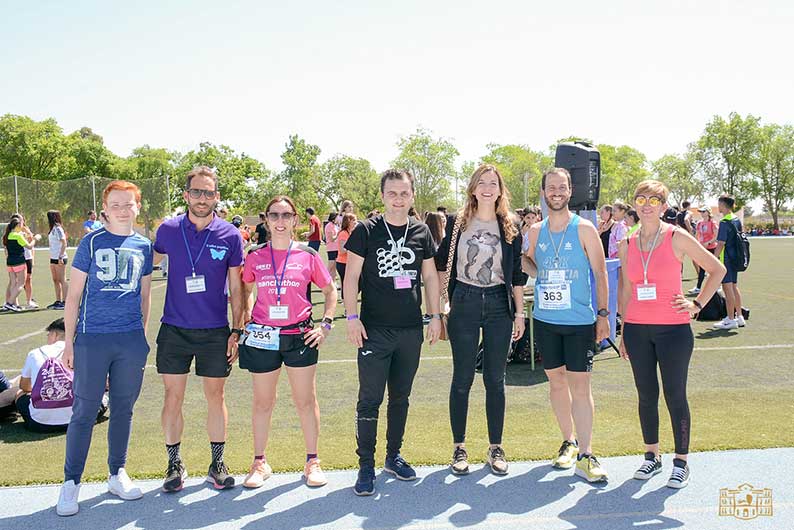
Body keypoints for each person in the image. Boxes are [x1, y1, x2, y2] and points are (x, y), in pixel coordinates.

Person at [617, 180, 725, 490]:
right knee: (646, 395)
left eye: (654, 199)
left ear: (664, 207)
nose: (647, 204)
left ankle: (681, 462)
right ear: (635, 205)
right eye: (641, 199)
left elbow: (716, 270)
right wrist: (624, 330)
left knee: (675, 395)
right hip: (637, 330)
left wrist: (697, 304)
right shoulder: (627, 243)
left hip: (674, 330)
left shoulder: (677, 237)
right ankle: (652, 455)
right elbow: (626, 289)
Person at [56, 181, 154, 516]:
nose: (123, 210)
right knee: (84, 411)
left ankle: (117, 473)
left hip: (129, 341)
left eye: (129, 204)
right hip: (92, 338)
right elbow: (72, 297)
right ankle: (71, 483)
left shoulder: (144, 245)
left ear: (138, 207)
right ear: (105, 208)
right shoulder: (90, 242)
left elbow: (144, 295)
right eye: (116, 205)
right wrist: (68, 343)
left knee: (123, 409)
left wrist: (140, 336)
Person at [343, 169, 442, 496]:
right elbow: (351, 277)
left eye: (404, 193)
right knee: (369, 400)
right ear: (383, 196)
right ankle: (366, 465)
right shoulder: (366, 231)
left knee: (400, 397)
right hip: (374, 330)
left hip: (410, 330)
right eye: (392, 193)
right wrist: (352, 317)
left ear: (412, 196)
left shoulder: (421, 230)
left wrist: (435, 315)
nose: (398, 199)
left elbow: (429, 277)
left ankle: (392, 456)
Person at [235, 196, 338, 489]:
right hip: (263, 337)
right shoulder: (254, 255)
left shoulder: (307, 254)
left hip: (299, 336)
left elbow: (331, 292)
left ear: (295, 220)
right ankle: (259, 463)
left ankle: (312, 461)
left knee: (305, 400)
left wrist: (326, 325)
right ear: (266, 220)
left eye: (286, 215)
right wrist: (246, 322)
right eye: (274, 215)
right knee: (262, 402)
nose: (280, 221)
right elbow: (246, 288)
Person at [153, 166, 244, 493]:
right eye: (196, 192)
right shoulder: (167, 230)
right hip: (174, 329)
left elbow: (237, 286)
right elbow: (146, 266)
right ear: (186, 194)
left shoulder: (231, 236)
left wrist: (237, 329)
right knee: (172, 397)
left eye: (208, 193)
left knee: (215, 396)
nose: (202, 198)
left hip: (215, 330)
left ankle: (217, 463)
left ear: (216, 196)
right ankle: (173, 464)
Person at [435, 164, 527, 476]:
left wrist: (519, 313)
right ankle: (459, 447)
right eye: (482, 182)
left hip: (500, 305)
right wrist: (439, 308)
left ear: (501, 190)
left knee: (495, 380)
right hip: (465, 302)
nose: (487, 188)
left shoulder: (511, 224)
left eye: (493, 183)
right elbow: (438, 266)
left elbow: (516, 275)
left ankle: (495, 447)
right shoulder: (457, 222)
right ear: (473, 188)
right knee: (462, 379)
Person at [523, 168, 611, 483]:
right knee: (556, 383)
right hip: (546, 320)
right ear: (544, 192)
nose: (556, 192)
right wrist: (515, 255)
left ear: (570, 191)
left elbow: (601, 274)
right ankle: (569, 442)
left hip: (579, 322)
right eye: (551, 188)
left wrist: (603, 315)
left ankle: (587, 454)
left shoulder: (585, 229)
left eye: (562, 187)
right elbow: (530, 264)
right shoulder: (535, 231)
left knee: (580, 387)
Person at [15, 318, 108, 433]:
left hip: (39, 424)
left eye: (48, 335)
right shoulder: (85, 351)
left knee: (20, 394)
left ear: (54, 334)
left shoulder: (35, 353)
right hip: (79, 420)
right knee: (102, 395)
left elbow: (24, 387)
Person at [713, 194, 745, 330]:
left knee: (727, 289)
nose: (718, 206)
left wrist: (713, 259)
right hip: (735, 258)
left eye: (719, 203)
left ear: (723, 205)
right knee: (734, 287)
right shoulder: (736, 219)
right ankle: (739, 317)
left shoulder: (725, 222)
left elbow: (720, 243)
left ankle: (731, 319)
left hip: (726, 260)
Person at [3, 216, 37, 312]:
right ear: (17, 225)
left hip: (10, 263)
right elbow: (29, 246)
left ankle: (11, 303)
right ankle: (10, 303)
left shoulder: (8, 235)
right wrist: (35, 239)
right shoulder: (18, 236)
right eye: (21, 224)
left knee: (13, 283)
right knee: (21, 284)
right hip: (19, 262)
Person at [689, 206, 718, 294]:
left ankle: (717, 286)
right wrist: (697, 244)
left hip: (712, 248)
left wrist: (708, 243)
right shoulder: (699, 223)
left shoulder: (713, 223)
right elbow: (697, 235)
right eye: (700, 211)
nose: (701, 213)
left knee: (714, 268)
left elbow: (716, 236)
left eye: (703, 211)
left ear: (708, 212)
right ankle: (698, 288)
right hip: (703, 248)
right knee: (702, 268)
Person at [47, 210, 69, 310]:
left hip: (60, 258)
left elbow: (64, 243)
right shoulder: (52, 229)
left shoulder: (58, 228)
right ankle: (58, 301)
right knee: (55, 280)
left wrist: (60, 256)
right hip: (53, 258)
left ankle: (66, 301)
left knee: (62, 280)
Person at [335, 212, 356, 301]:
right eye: (354, 220)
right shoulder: (343, 233)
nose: (356, 222)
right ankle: (346, 304)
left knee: (357, 283)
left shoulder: (350, 232)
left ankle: (347, 300)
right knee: (346, 284)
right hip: (343, 263)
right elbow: (342, 250)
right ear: (348, 221)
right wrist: (354, 249)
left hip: (349, 263)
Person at [324, 212, 340, 283]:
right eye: (337, 217)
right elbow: (331, 239)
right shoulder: (329, 226)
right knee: (330, 266)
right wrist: (338, 234)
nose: (338, 219)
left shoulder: (334, 225)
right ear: (333, 218)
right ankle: (323, 280)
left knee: (334, 267)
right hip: (331, 248)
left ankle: (333, 283)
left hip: (336, 248)